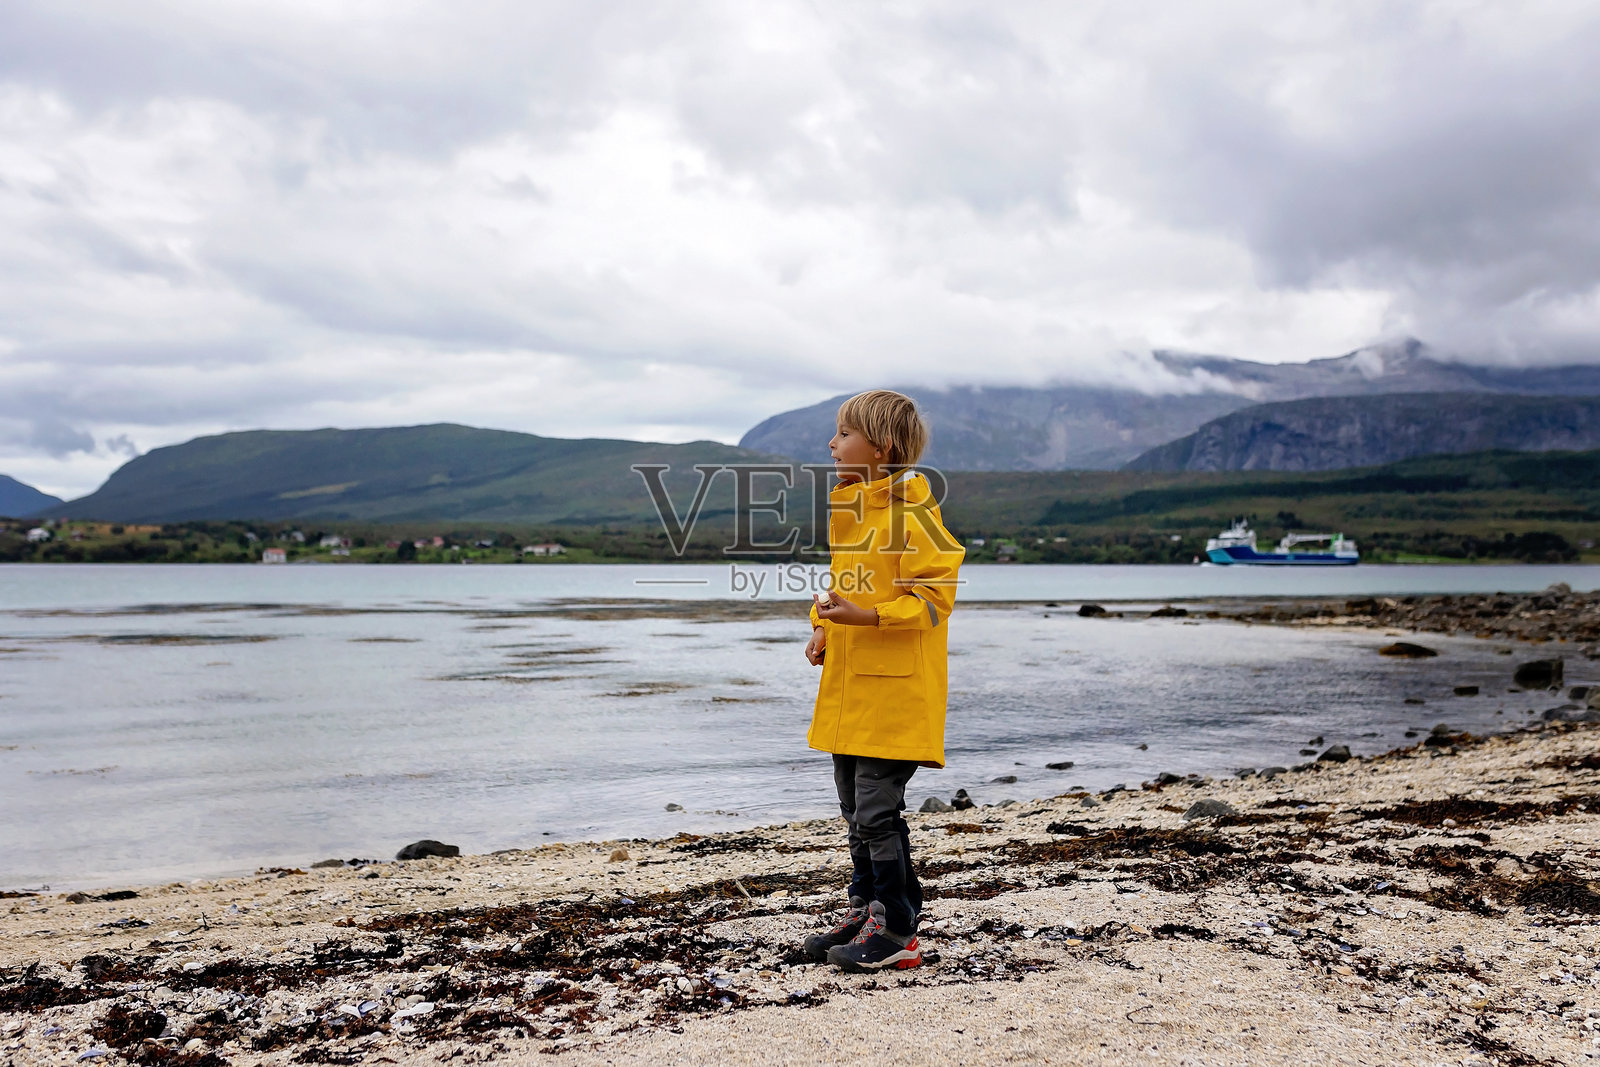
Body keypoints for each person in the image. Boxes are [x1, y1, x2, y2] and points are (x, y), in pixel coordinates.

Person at [799, 389, 964, 972]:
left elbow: (935, 598)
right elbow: (853, 588)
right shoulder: (853, 508)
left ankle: (896, 930)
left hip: (896, 691)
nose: (832, 443)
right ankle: (865, 907)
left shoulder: (914, 513)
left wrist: (867, 619)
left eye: (843, 433)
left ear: (881, 447)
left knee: (875, 810)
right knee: (853, 807)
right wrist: (826, 626)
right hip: (853, 685)